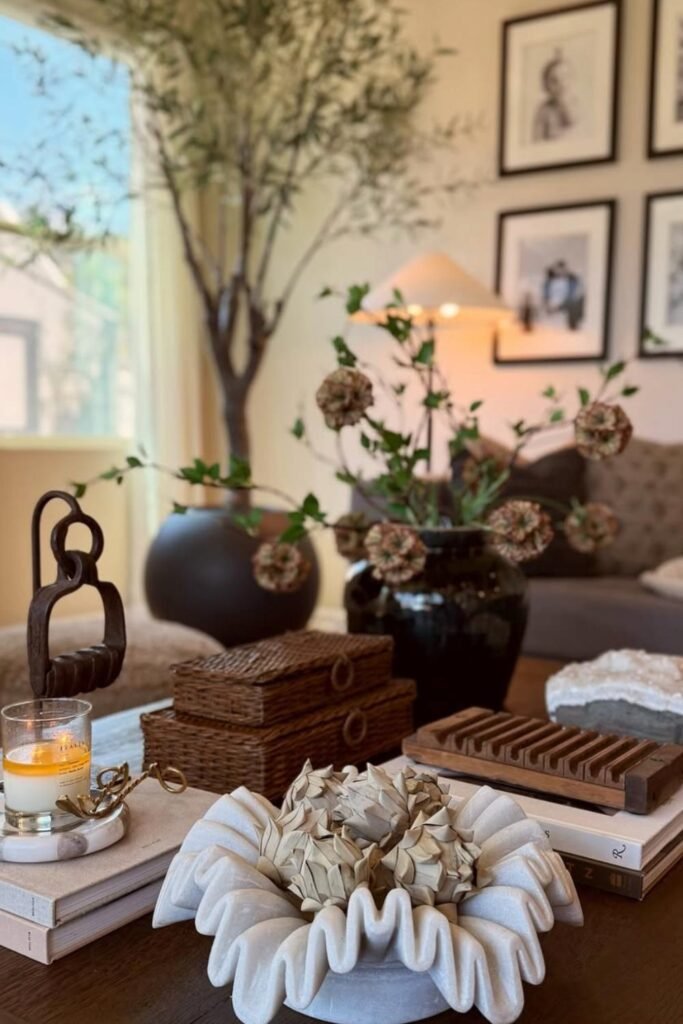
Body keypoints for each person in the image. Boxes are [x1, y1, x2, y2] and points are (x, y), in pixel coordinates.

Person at [532, 49, 577, 142]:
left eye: (564, 78)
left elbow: (574, 124)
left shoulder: (575, 103)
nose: (560, 84)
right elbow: (537, 137)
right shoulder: (544, 109)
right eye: (554, 80)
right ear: (546, 86)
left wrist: (564, 104)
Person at [542, 259, 585, 330]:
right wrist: (548, 304)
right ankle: (572, 323)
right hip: (556, 303)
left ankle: (573, 323)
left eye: (563, 269)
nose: (561, 271)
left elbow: (575, 290)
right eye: (559, 269)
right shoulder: (550, 281)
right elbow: (546, 295)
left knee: (576, 302)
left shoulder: (571, 279)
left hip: (567, 301)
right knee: (573, 304)